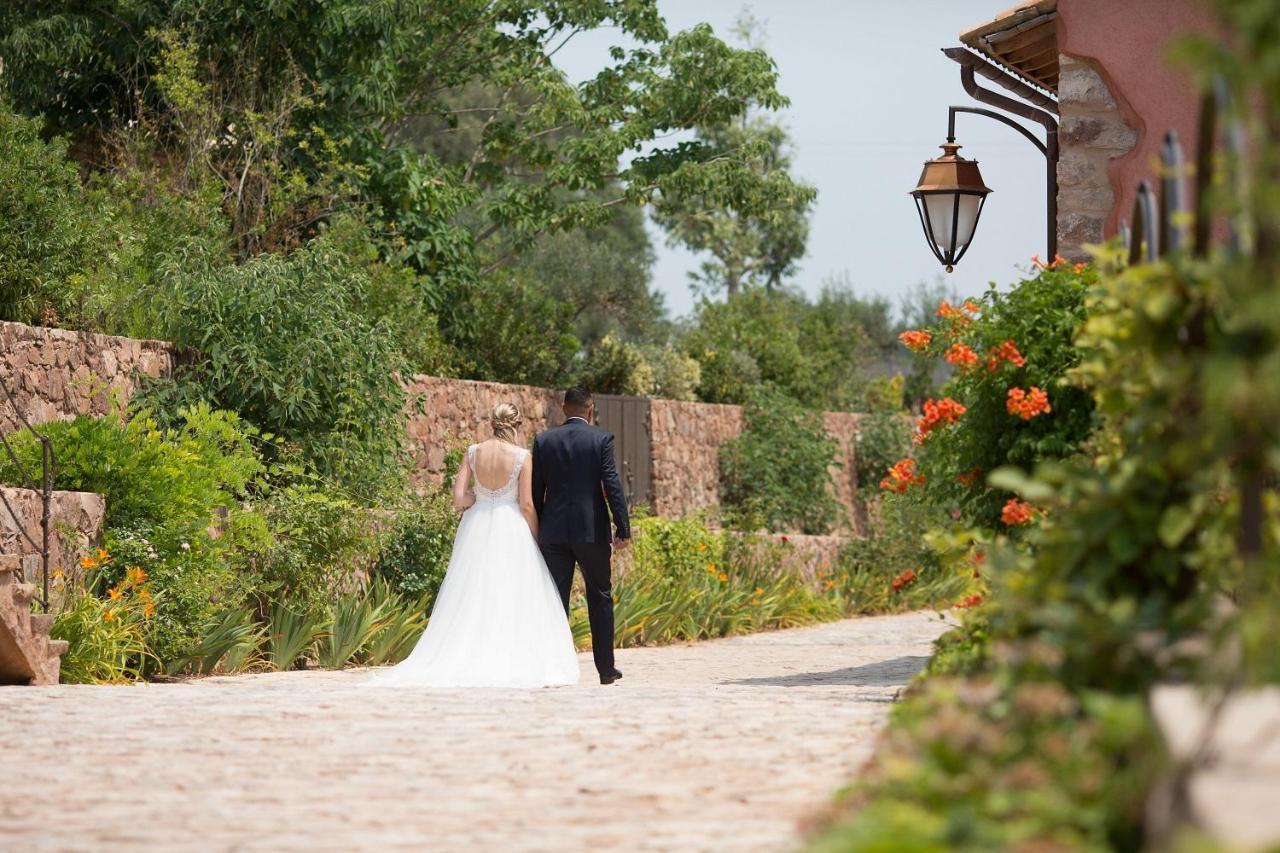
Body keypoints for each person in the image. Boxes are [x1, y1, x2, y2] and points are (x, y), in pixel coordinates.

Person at [367, 403, 579, 688]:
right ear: (516, 425)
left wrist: (477, 501)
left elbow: (458, 498)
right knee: (511, 593)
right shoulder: (522, 456)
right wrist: (537, 537)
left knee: (472, 591)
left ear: (492, 423)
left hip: (476, 525)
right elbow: (527, 505)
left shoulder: (473, 452)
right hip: (511, 526)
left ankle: (470, 652)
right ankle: (506, 655)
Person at [531, 388, 631, 685]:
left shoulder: (543, 440)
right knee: (600, 595)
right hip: (591, 532)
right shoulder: (601, 439)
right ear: (591, 409)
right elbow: (611, 483)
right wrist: (622, 527)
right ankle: (605, 670)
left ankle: (555, 668)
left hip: (554, 532)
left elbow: (536, 491)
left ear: (563, 408)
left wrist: (537, 530)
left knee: (554, 599)